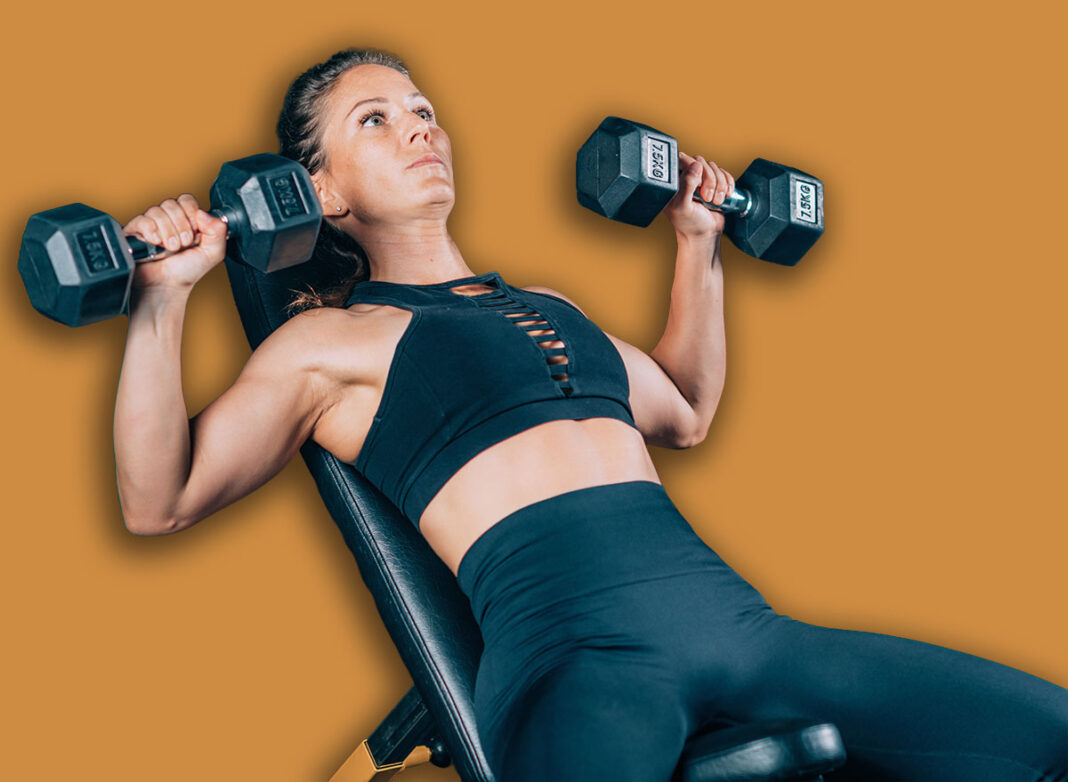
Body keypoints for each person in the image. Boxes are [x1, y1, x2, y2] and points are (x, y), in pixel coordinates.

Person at [113, 47, 1068, 781]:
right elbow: (160, 499)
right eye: (376, 119)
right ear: (318, 191)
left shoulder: (551, 306)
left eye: (424, 111)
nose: (419, 131)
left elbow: (685, 408)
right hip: (580, 661)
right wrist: (164, 297)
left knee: (1051, 738)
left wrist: (698, 243)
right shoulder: (330, 343)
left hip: (744, 632)